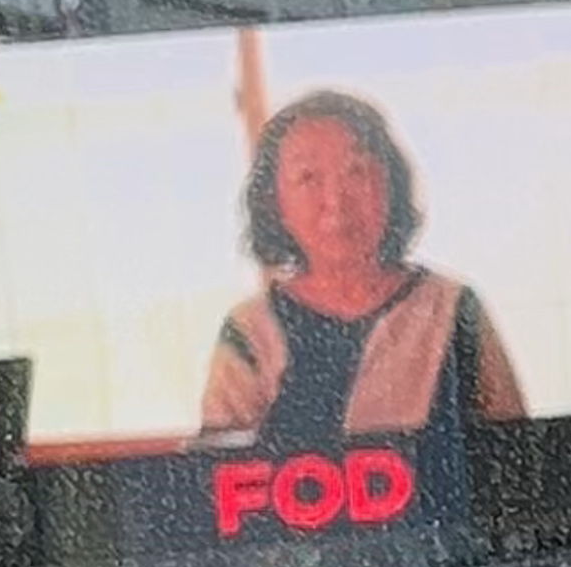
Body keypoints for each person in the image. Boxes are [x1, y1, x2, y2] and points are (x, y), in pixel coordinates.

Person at [200, 91, 528, 492]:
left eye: (357, 171)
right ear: (273, 202)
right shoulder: (250, 330)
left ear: (392, 184)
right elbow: (215, 485)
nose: (336, 201)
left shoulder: (453, 309)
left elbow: (520, 466)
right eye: (308, 178)